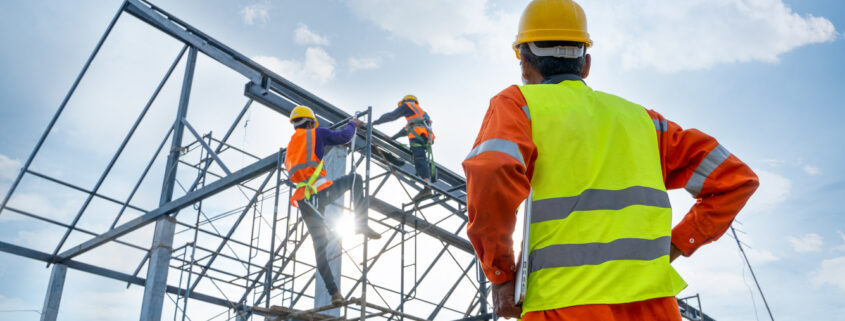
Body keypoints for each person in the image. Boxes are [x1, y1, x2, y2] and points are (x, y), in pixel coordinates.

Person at [461, 0, 760, 320]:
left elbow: (492, 169)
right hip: (654, 307)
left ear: (523, 62)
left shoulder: (517, 105)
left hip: (563, 305)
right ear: (585, 64)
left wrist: (502, 275)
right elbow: (735, 178)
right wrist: (675, 244)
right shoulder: (645, 121)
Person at [284, 105, 381, 305]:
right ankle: (360, 223)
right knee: (355, 179)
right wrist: (352, 124)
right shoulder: (316, 133)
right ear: (310, 122)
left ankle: (334, 293)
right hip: (319, 190)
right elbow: (344, 138)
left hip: (304, 199)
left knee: (319, 247)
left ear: (295, 124)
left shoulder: (292, 145)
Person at [373, 95, 436, 188]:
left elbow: (391, 116)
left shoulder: (407, 104)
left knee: (419, 158)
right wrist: (393, 137)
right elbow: (406, 129)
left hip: (418, 135)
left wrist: (374, 122)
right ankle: (426, 179)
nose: (400, 107)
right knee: (420, 158)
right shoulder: (419, 113)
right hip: (425, 137)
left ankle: (426, 182)